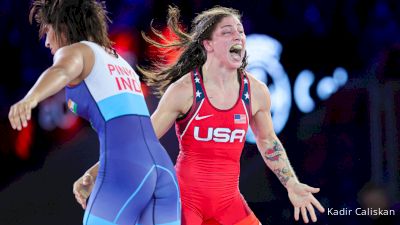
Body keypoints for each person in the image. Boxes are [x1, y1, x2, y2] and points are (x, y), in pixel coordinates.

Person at [74, 5, 325, 225]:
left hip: (229, 204)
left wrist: (291, 183)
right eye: (227, 31)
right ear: (208, 45)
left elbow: (268, 141)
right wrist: (94, 173)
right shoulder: (184, 91)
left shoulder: (257, 92)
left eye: (240, 31)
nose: (238, 36)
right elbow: (142, 142)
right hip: (185, 205)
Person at [8, 1, 180, 225]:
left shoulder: (77, 50)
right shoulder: (119, 62)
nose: (47, 42)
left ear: (63, 27)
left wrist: (30, 98)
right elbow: (135, 138)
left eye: (48, 31)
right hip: (162, 170)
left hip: (128, 170)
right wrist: (95, 172)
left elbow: (60, 70)